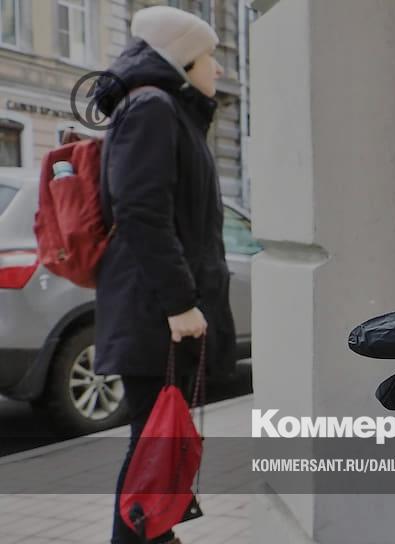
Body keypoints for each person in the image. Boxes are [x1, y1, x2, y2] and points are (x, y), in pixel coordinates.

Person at [92, 6, 237, 544]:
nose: (217, 68)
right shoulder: (152, 107)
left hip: (156, 310)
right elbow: (141, 212)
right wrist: (179, 303)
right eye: (208, 56)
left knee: (158, 443)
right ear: (182, 60)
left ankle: (157, 535)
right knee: (151, 445)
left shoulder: (165, 110)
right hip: (154, 313)